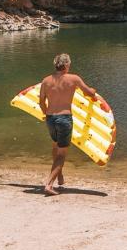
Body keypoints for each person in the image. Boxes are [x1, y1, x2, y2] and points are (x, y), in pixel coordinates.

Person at [38, 53, 97, 196]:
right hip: (64, 118)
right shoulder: (73, 79)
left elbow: (41, 102)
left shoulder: (46, 81)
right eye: (69, 64)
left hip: (51, 118)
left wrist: (47, 114)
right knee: (61, 154)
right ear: (66, 65)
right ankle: (49, 184)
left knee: (55, 145)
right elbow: (89, 93)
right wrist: (94, 91)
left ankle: (59, 176)